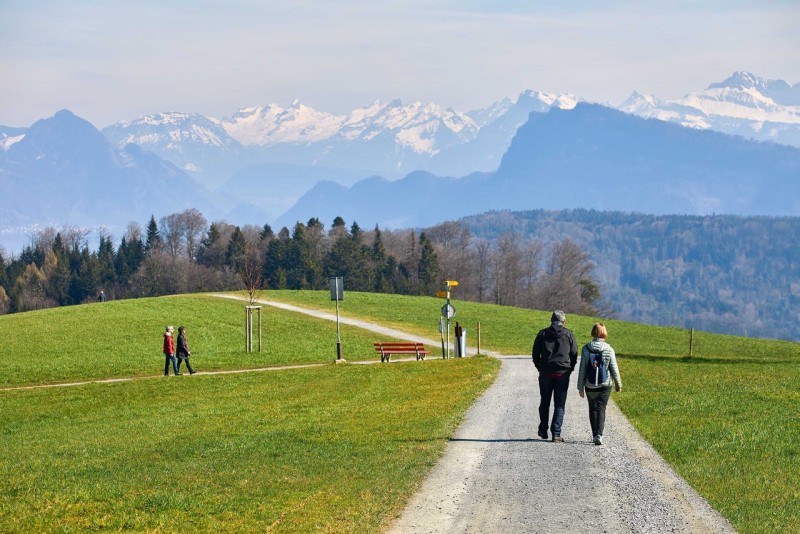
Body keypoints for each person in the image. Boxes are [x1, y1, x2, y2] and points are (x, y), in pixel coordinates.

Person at [532, 310, 578, 442]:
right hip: (562, 374)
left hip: (545, 373)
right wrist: (570, 369)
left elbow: (535, 354)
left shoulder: (543, 334)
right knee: (559, 404)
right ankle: (556, 434)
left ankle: (543, 429)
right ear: (564, 321)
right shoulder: (569, 335)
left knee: (544, 402)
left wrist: (539, 367)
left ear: (551, 320)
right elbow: (574, 354)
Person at [577, 323, 622, 446]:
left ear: (593, 332)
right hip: (605, 385)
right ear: (604, 333)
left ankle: (594, 434)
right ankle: (599, 435)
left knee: (592, 408)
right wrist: (618, 384)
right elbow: (614, 369)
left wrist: (580, 386)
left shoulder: (586, 349)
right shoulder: (609, 349)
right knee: (601, 408)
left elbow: (582, 369)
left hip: (590, 385)